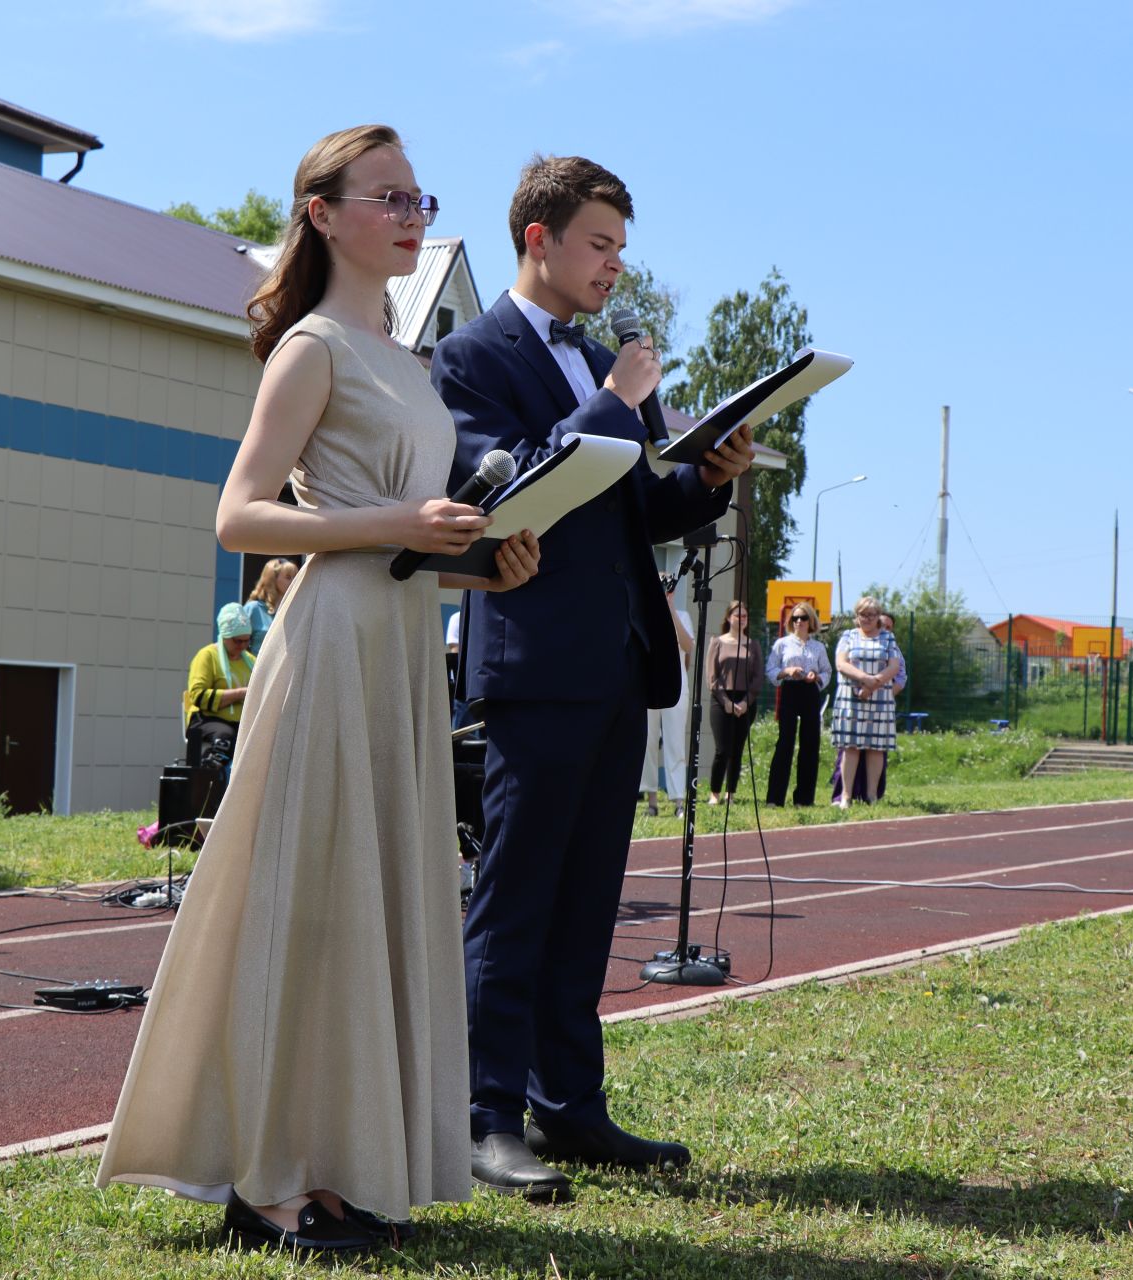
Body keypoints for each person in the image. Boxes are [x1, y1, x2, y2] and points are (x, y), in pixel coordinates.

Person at [97, 125, 542, 1255]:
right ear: (322, 212)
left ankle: (333, 1165)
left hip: (397, 636)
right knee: (306, 899)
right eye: (387, 196)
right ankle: (267, 1179)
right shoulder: (310, 348)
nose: (410, 213)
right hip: (334, 637)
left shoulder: (404, 351)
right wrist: (400, 524)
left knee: (366, 901)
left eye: (416, 195)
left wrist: (477, 556)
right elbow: (240, 514)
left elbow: (399, 528)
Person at [431, 153, 753, 1200]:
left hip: (618, 660)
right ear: (540, 240)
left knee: (588, 900)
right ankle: (486, 1115)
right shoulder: (472, 355)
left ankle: (569, 1104)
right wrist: (619, 400)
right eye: (600, 243)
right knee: (516, 900)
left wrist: (705, 478)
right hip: (533, 663)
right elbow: (510, 490)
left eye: (621, 246)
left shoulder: (603, 366)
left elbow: (631, 513)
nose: (616, 265)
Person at [182, 602, 256, 818]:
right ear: (224, 635)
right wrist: (240, 693)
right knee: (225, 738)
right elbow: (198, 695)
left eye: (247, 640)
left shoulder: (251, 661)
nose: (243, 645)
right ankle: (205, 798)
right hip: (207, 720)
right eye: (238, 641)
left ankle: (240, 807)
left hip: (239, 722)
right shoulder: (207, 656)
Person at [831, 596, 900, 809]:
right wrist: (864, 679)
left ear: (878, 616)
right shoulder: (848, 636)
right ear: (856, 616)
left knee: (875, 747)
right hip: (851, 698)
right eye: (863, 614)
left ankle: (871, 796)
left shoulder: (888, 638)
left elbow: (894, 666)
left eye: (871, 615)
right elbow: (841, 664)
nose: (867, 619)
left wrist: (873, 684)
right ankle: (846, 796)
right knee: (850, 746)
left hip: (879, 698)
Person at [765, 605, 831, 807]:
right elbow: (771, 668)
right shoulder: (782, 644)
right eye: (795, 618)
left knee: (810, 744)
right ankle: (775, 799)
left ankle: (804, 798)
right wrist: (787, 671)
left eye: (802, 618)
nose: (798, 621)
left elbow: (827, 671)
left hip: (810, 692)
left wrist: (817, 676)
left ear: (810, 621)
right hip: (790, 691)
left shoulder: (818, 647)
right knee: (785, 742)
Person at [640, 587, 694, 818]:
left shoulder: (682, 615)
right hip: (648, 684)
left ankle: (679, 800)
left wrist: (670, 609)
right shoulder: (644, 613)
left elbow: (688, 646)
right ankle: (651, 801)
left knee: (675, 743)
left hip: (676, 686)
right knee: (648, 743)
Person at [705, 601, 763, 805]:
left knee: (737, 749)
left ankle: (731, 792)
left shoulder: (753, 645)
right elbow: (712, 677)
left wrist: (746, 702)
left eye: (745, 616)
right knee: (722, 749)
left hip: (745, 701)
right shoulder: (717, 642)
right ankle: (714, 792)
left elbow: (757, 678)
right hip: (721, 701)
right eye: (737, 615)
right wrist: (726, 702)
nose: (741, 619)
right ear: (729, 617)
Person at [242, 557, 297, 655]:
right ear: (272, 578)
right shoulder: (253, 609)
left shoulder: (296, 611)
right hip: (256, 668)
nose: (294, 582)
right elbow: (238, 647)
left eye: (296, 577)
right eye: (288, 577)